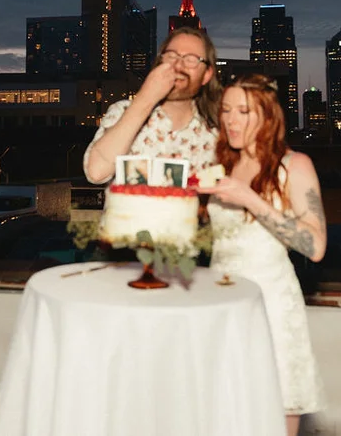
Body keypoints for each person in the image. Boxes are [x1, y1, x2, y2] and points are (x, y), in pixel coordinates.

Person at [196, 73, 328, 436]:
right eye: (226, 111)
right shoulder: (221, 163)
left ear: (268, 116)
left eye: (243, 111)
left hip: (270, 304)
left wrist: (251, 200)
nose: (231, 120)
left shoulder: (294, 165)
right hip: (220, 302)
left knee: (276, 414)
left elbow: (315, 247)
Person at [83, 26, 221, 184]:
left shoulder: (216, 134)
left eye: (191, 59)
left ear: (207, 75)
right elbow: (96, 172)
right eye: (171, 56)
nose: (178, 65)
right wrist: (146, 97)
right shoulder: (122, 111)